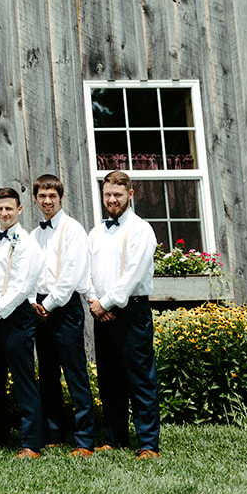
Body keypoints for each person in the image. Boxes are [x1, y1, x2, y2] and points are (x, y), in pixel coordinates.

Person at [88, 170, 161, 458]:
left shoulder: (141, 229)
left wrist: (107, 302)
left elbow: (134, 273)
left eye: (117, 195)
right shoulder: (96, 231)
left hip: (132, 311)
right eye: (107, 194)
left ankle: (147, 443)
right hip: (101, 313)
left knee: (140, 377)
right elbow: (87, 272)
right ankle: (114, 437)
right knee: (109, 378)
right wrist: (95, 301)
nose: (112, 200)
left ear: (130, 195)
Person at [0, 186, 46, 456]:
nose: (4, 213)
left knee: (23, 377)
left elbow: (21, 287)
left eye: (9, 208)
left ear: (19, 210)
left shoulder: (29, 244)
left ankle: (31, 442)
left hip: (16, 313)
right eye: (0, 208)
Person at [31, 174, 96, 455]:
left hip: (64, 306)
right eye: (42, 197)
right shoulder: (34, 234)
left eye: (52, 197)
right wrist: (35, 302)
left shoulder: (73, 230)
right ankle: (53, 433)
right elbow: (31, 273)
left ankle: (84, 439)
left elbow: (72, 275)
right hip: (39, 307)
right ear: (36, 199)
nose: (47, 201)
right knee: (46, 373)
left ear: (60, 198)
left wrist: (50, 304)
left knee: (75, 373)